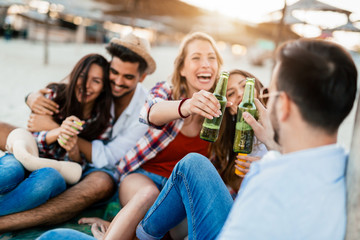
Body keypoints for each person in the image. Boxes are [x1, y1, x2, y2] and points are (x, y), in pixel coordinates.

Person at [130, 38, 357, 240]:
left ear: (284, 105)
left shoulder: (269, 179)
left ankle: (142, 235)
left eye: (271, 92)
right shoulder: (348, 170)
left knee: (192, 164)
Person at [0, 33, 156, 232]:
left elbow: (107, 157)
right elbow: (72, 88)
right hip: (53, 148)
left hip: (94, 167)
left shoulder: (145, 110)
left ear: (142, 77)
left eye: (128, 77)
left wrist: (54, 128)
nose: (117, 81)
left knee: (95, 182)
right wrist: (30, 97)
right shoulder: (98, 86)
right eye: (114, 72)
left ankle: (8, 223)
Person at [77, 31, 225, 240]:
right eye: (196, 57)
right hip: (142, 178)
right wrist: (188, 105)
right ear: (182, 68)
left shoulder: (222, 111)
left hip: (180, 194)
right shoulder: (166, 91)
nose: (206, 64)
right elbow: (150, 112)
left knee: (181, 227)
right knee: (149, 195)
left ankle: (119, 227)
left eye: (212, 58)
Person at [0, 53, 112, 216]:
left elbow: (80, 169)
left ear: (103, 87)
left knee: (47, 179)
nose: (86, 85)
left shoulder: (102, 121)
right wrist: (57, 132)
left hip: (56, 171)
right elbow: (30, 136)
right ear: (74, 75)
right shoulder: (55, 96)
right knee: (11, 170)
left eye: (96, 81)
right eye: (82, 77)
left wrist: (73, 150)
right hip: (27, 155)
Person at [210, 69, 268, 197]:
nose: (241, 94)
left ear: (256, 87)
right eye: (231, 93)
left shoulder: (282, 121)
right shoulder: (229, 143)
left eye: (245, 86)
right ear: (230, 110)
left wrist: (266, 166)